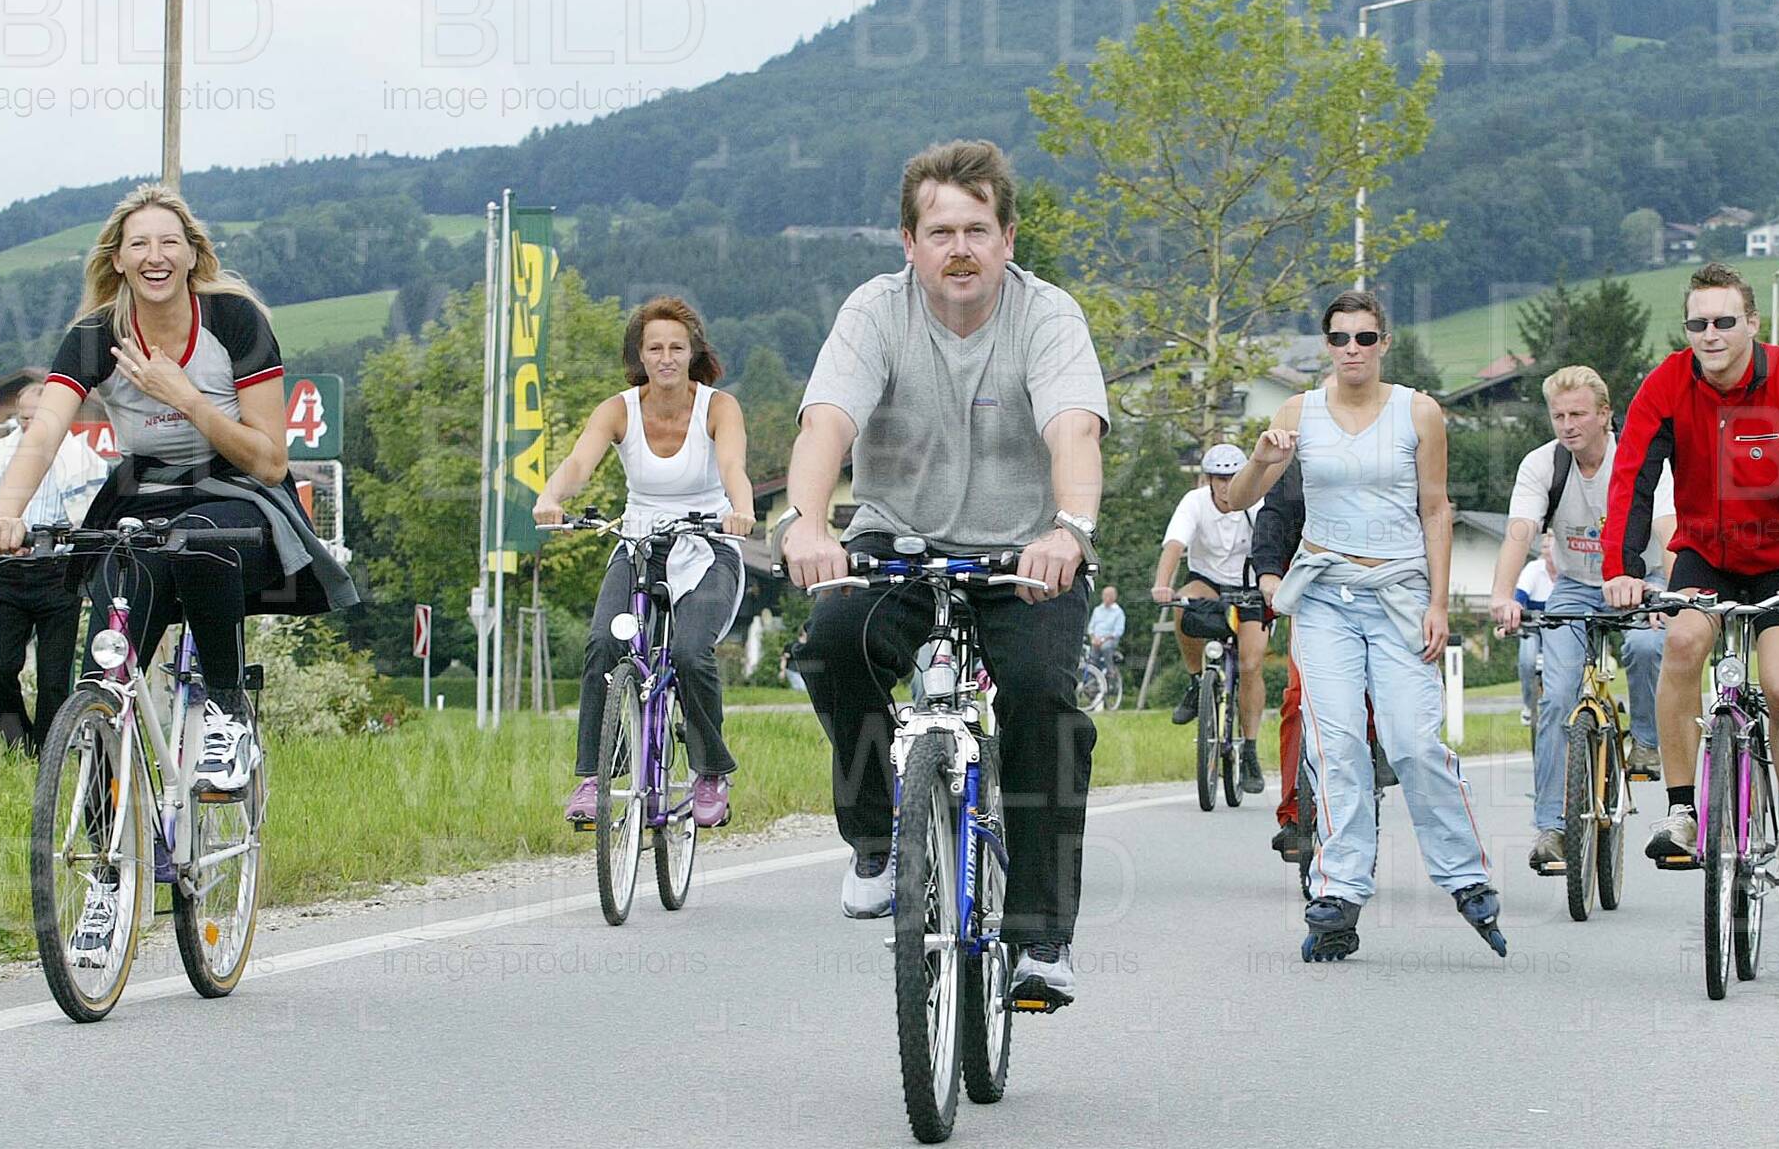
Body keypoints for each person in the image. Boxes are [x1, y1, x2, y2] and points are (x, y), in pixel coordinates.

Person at [778, 138, 1107, 1011]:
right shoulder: (875, 312)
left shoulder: (1047, 316)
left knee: (1041, 701)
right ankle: (876, 837)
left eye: (976, 230)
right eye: (940, 232)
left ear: (1007, 238)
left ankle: (1040, 935)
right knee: (831, 643)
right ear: (909, 242)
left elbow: (1074, 429)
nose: (959, 249)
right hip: (898, 545)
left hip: (1027, 556)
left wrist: (1069, 530)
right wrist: (806, 522)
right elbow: (825, 425)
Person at [0, 184, 357, 820]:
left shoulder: (234, 321)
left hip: (236, 490)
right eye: (139, 245)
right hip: (145, 492)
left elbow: (270, 461)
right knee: (107, 667)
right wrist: (5, 512)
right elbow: (43, 433)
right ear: (118, 260)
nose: (154, 256)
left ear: (191, 255)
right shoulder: (95, 336)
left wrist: (183, 396)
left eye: (168, 243)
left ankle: (227, 715)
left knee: (200, 541)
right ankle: (104, 847)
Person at [1225, 291, 1503, 962]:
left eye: (1365, 337)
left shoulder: (1418, 411)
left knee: (1412, 742)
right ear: (1327, 345)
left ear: (1384, 343)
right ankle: (1338, 891)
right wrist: (1261, 457)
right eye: (1340, 337)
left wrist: (1439, 603)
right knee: (1336, 743)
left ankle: (1465, 874)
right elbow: (1237, 499)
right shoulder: (1298, 413)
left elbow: (1436, 510)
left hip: (1399, 594)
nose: (1352, 349)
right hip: (1325, 598)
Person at [1603, 262, 1779, 900]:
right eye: (1698, 324)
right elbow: (1632, 479)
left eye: (1723, 321)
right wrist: (1622, 569)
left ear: (1751, 323)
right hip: (1707, 555)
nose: (1710, 334)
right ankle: (1683, 810)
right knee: (1681, 644)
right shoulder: (1667, 384)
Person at [535, 295, 754, 830]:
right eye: (655, 348)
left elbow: (733, 466)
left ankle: (710, 771)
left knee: (690, 652)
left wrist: (742, 510)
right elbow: (579, 462)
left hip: (707, 545)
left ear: (692, 352)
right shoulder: (618, 410)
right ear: (639, 355)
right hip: (639, 543)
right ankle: (595, 778)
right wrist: (551, 496)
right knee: (603, 643)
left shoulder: (719, 407)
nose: (666, 358)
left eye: (677, 347)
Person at [1488, 365, 1676, 876]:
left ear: (1605, 415)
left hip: (1640, 578)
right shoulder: (1543, 465)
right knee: (1556, 697)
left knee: (1645, 647)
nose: (1567, 425)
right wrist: (1503, 594)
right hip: (1575, 586)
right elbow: (1520, 532)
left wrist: (1672, 596)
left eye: (1578, 414)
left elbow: (1668, 528)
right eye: (1558, 416)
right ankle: (1551, 827)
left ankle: (1646, 743)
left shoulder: (1640, 459)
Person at [1252, 456, 1394, 866]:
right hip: (1315, 596)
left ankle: (1380, 753)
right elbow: (1273, 517)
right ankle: (1297, 813)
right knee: (1299, 699)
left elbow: (1426, 518)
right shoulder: (1302, 463)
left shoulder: (1392, 456)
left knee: (1381, 695)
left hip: (1382, 592)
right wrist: (1268, 573)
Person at [0, 382, 108, 752]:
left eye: (40, 418)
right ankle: (18, 742)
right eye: (25, 418)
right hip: (11, 568)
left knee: (53, 676)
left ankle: (49, 750)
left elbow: (89, 517)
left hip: (59, 571)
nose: (31, 425)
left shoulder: (84, 461)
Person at [1151, 443, 1268, 792]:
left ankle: (1250, 749)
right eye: (1219, 478)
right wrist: (1162, 584)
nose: (1226, 485)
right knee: (1182, 605)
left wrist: (1271, 586)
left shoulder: (1258, 503)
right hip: (1208, 582)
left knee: (1250, 664)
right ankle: (1195, 681)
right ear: (1208, 480)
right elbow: (1174, 544)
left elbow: (1272, 547)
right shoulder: (1195, 502)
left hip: (1250, 587)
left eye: (1233, 477)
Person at [1512, 544, 1556, 728]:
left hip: (1560, 628)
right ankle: (1529, 705)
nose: (1549, 550)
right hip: (1534, 626)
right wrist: (1513, 615)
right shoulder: (1533, 570)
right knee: (1527, 660)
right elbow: (1519, 597)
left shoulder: (1570, 572)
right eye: (1545, 545)